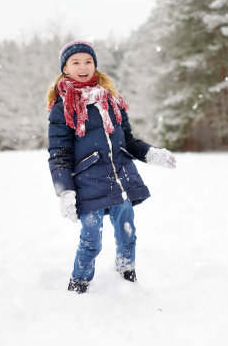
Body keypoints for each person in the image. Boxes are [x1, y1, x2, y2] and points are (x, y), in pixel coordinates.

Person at [47, 40, 176, 294]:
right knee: (91, 240)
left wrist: (151, 153)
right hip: (88, 184)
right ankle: (79, 285)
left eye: (88, 61)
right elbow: (59, 153)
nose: (83, 67)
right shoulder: (63, 108)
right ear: (65, 68)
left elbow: (127, 140)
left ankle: (127, 273)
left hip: (121, 179)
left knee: (127, 232)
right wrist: (65, 191)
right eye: (76, 62)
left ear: (95, 64)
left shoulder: (112, 100)